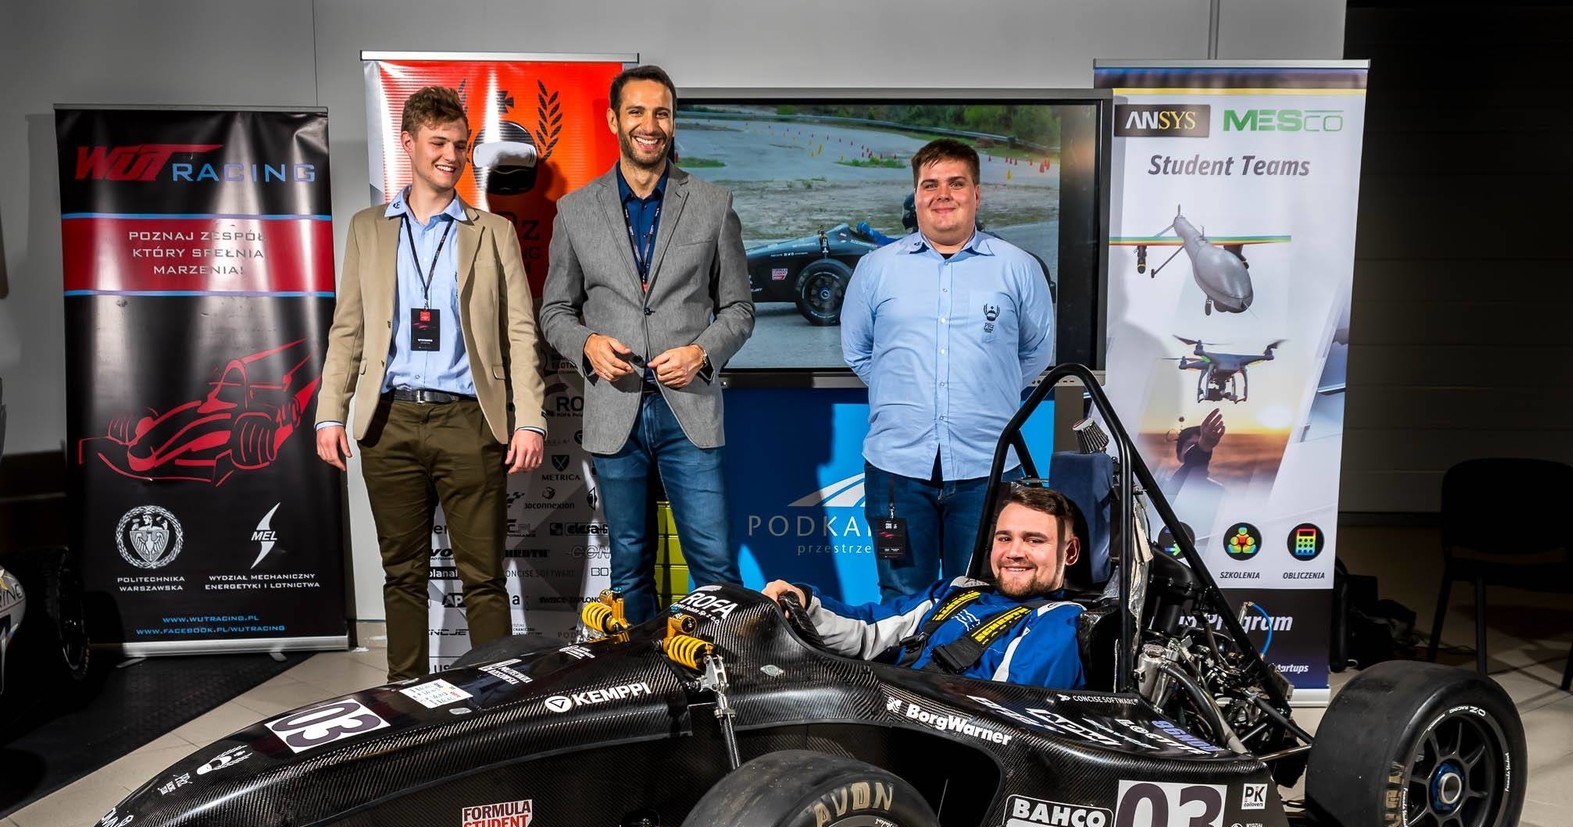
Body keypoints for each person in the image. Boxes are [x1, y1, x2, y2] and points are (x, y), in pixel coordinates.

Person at [314, 86, 546, 681]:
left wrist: (529, 419)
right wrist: (330, 412)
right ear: (409, 143)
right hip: (387, 423)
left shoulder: (492, 231)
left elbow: (521, 331)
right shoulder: (367, 228)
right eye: (438, 142)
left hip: (469, 421)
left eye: (460, 145)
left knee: (484, 577)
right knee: (403, 575)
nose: (451, 156)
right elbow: (348, 328)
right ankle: (406, 700)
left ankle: (497, 700)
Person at [540, 65, 755, 627]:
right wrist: (587, 343)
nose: (649, 124)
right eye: (636, 111)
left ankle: (722, 672)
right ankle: (643, 677)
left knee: (714, 566)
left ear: (673, 121)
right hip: (614, 410)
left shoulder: (712, 203)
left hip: (690, 412)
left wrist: (702, 353)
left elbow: (739, 309)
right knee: (629, 569)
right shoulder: (575, 211)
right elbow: (554, 312)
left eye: (661, 113)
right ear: (614, 120)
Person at [840, 137, 1056, 600]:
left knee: (985, 600)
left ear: (976, 194)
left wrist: (984, 392)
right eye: (930, 185)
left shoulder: (1018, 268)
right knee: (901, 602)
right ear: (916, 195)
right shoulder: (876, 269)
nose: (943, 195)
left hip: (988, 470)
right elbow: (857, 351)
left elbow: (1037, 353)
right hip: (897, 472)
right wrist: (907, 394)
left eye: (956, 183)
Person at [763, 485, 1086, 689]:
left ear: (1070, 552)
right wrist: (804, 601)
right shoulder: (957, 591)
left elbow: (1012, 715)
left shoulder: (1057, 621)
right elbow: (866, 629)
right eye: (1004, 538)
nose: (1014, 552)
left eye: (1034, 540)